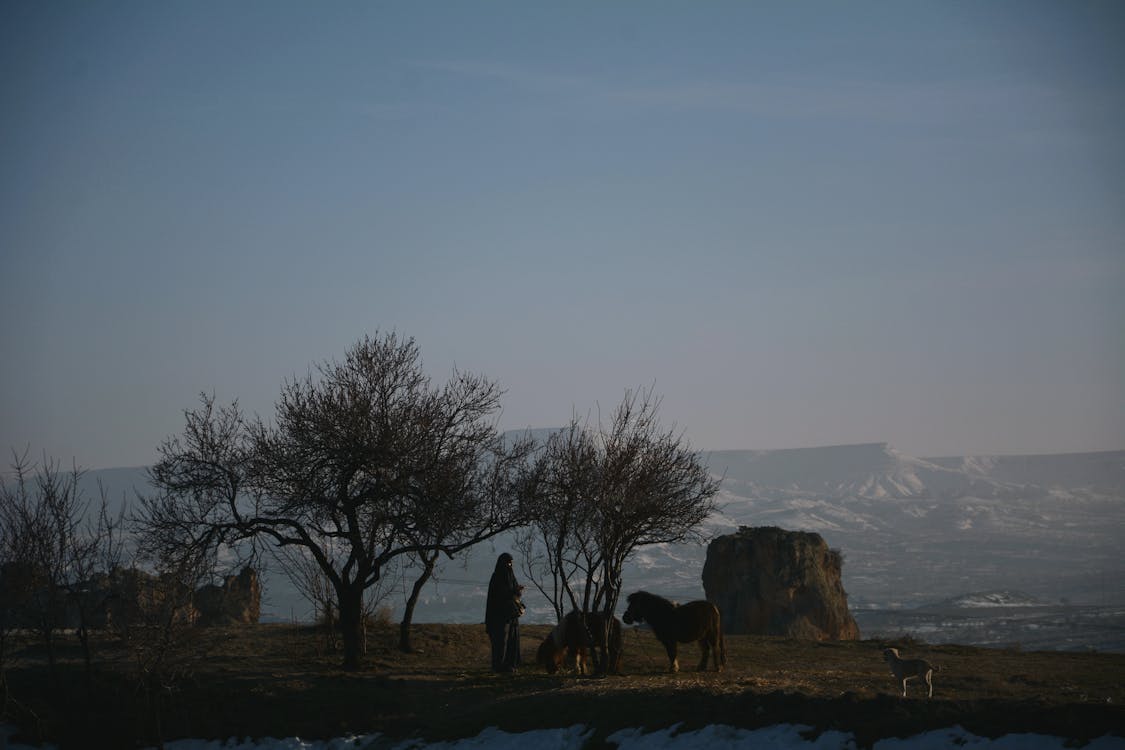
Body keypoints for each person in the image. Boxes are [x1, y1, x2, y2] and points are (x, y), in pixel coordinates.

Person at [485, 552, 524, 672]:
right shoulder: (498, 577)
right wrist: (514, 591)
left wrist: (516, 591)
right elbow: (501, 595)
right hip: (499, 616)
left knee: (511, 641)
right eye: (508, 562)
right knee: (501, 642)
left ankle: (509, 665)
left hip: (510, 616)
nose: (510, 565)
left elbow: (512, 592)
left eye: (511, 563)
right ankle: (499, 667)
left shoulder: (508, 576)